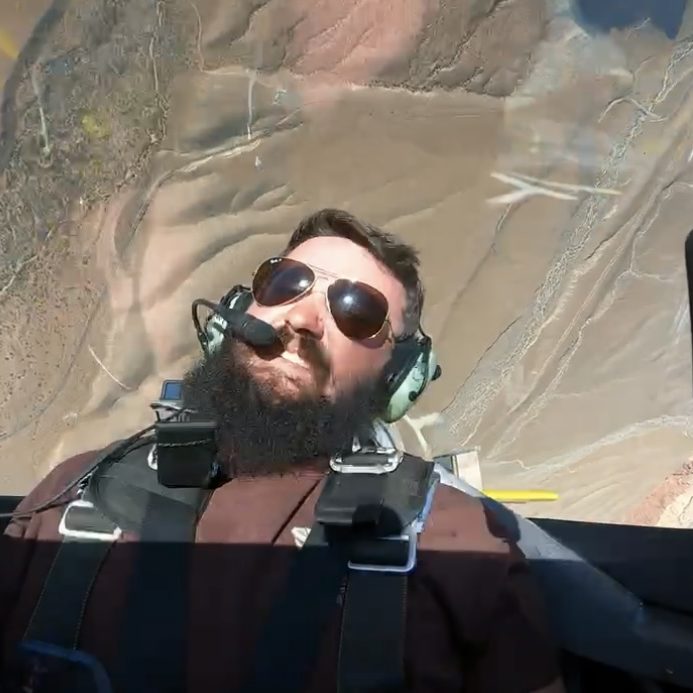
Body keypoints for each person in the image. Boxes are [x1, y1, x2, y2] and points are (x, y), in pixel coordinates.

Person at [0, 208, 565, 692]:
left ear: (395, 377)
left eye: (356, 310)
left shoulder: (451, 541)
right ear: (242, 309)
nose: (302, 318)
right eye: (286, 282)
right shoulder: (76, 493)